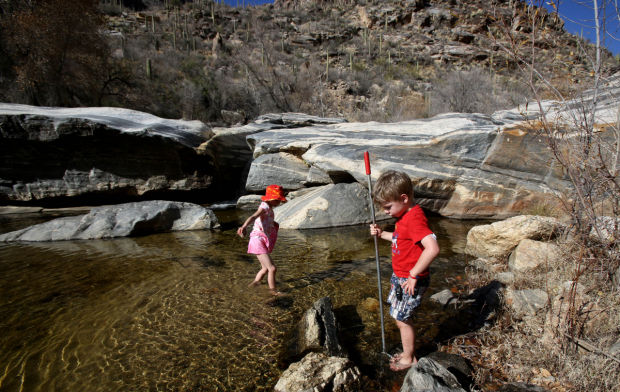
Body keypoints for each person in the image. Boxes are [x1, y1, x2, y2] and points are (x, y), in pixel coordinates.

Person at [369, 170, 440, 371]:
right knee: (399, 315)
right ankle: (408, 352)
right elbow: (401, 239)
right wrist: (382, 234)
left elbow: (432, 248)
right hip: (401, 277)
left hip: (410, 279)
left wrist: (412, 274)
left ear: (404, 198)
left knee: (402, 319)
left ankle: (409, 358)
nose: (385, 212)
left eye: (388, 207)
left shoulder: (415, 219)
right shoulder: (405, 216)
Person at [237, 184, 287, 295]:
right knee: (272, 268)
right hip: (257, 240)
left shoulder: (269, 208)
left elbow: (266, 221)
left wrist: (274, 224)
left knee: (265, 269)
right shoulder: (264, 207)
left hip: (261, 239)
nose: (279, 202)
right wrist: (244, 226)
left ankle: (255, 283)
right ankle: (273, 291)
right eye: (277, 200)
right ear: (271, 199)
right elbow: (254, 216)